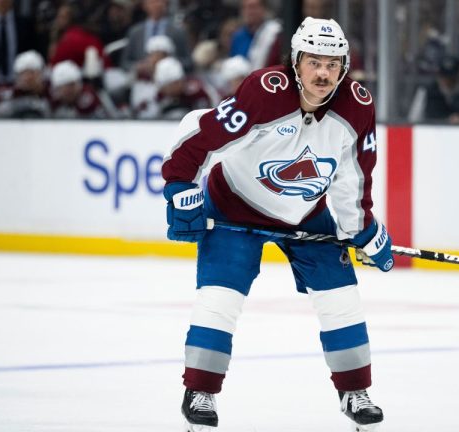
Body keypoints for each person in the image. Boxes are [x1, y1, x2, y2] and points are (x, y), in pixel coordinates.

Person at [162, 17, 391, 431]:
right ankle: (201, 391)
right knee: (220, 298)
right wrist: (180, 185)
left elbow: (354, 176)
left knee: (341, 297)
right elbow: (200, 127)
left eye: (333, 64)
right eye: (314, 62)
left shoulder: (356, 106)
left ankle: (355, 391)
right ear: (296, 62)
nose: (324, 73)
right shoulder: (264, 93)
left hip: (305, 214)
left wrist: (363, 228)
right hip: (234, 205)